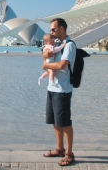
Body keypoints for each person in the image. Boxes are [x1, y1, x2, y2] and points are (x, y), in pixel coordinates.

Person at [42, 18, 76, 167]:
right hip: (51, 87)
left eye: (53, 29)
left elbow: (62, 65)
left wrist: (45, 64)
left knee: (65, 122)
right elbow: (46, 56)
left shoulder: (69, 46)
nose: (51, 32)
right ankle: (60, 149)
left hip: (63, 89)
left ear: (62, 28)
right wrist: (45, 58)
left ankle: (69, 153)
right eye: (51, 30)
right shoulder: (54, 44)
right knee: (55, 121)